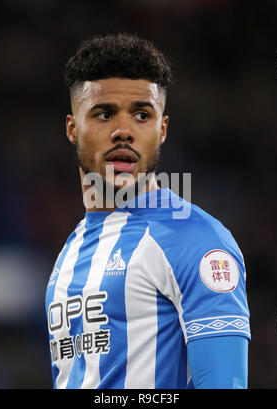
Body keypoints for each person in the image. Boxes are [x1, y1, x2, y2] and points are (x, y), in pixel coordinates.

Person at [45, 33, 250, 389]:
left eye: (142, 114)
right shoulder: (71, 250)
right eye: (104, 113)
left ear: (162, 129)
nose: (123, 131)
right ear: (72, 129)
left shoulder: (198, 242)